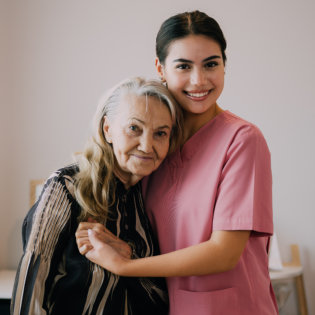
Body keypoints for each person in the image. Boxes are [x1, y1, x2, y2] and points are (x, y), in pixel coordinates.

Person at [76, 11, 279, 315]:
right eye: (183, 66)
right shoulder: (156, 143)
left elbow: (224, 253)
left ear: (224, 65)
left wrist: (125, 265)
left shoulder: (243, 140)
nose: (199, 80)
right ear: (160, 68)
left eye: (211, 64)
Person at [11, 77, 183, 315]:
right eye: (134, 128)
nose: (147, 146)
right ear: (108, 129)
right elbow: (31, 285)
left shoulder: (154, 195)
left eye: (160, 133)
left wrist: (128, 255)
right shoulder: (66, 186)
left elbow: (166, 290)